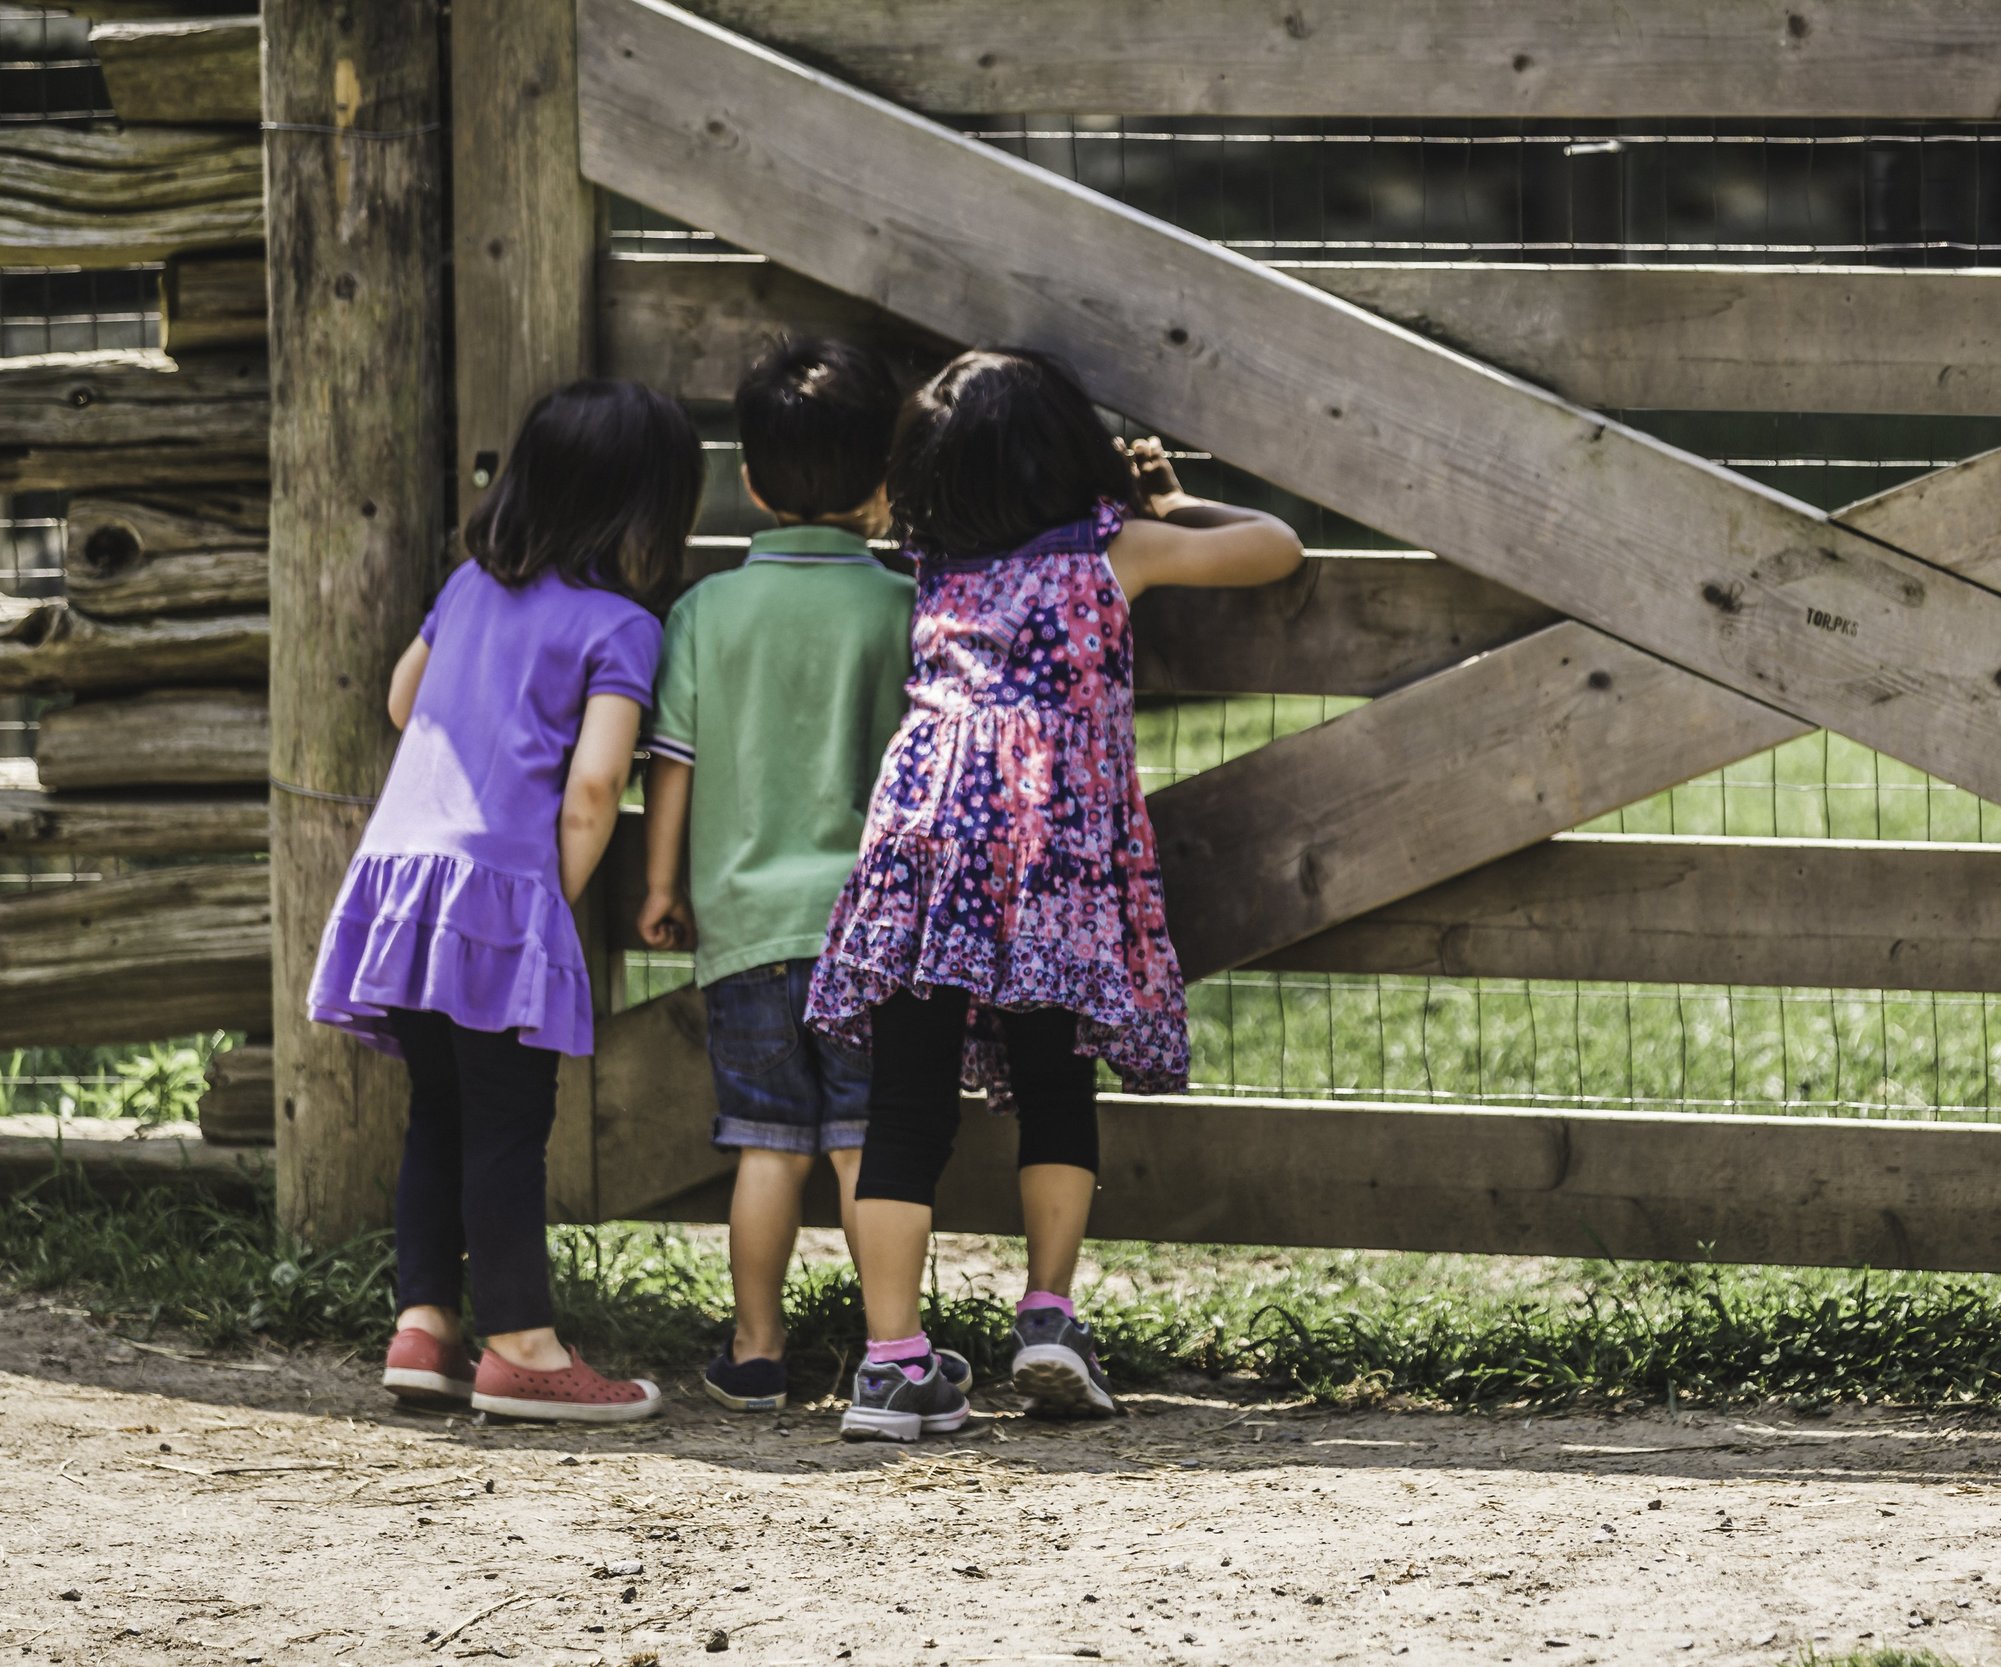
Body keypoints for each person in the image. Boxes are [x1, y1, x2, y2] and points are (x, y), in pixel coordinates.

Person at [808, 348, 1305, 1443]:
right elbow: (1276, 549)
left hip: (924, 841)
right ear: (1066, 456)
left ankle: (890, 1364)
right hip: (1048, 847)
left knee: (903, 1101)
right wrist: (1169, 497)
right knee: (1052, 1078)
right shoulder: (1110, 550)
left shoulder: (934, 563)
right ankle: (1046, 1316)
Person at [306, 379, 701, 1424]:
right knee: (509, 1128)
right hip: (500, 893)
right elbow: (591, 789)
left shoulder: (469, 588)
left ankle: (425, 1326)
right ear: (649, 509)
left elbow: (402, 699)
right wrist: (545, 910)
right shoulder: (623, 626)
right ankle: (523, 1346)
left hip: (399, 880)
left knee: (436, 1110)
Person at [636, 336, 967, 1413]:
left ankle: (757, 1346)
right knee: (866, 1139)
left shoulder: (704, 615)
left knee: (767, 1143)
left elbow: (672, 766)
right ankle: (891, 1343)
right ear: (883, 481)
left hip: (743, 923)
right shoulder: (902, 607)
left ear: (749, 479)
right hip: (870, 931)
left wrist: (659, 887)